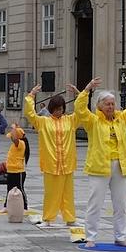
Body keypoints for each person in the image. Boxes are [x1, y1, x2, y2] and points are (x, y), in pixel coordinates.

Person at [73, 78, 126, 248]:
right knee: (95, 203)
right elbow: (79, 109)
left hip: (120, 165)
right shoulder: (93, 121)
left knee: (120, 204)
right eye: (107, 104)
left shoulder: (121, 119)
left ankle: (120, 236)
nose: (111, 107)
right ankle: (90, 236)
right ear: (99, 106)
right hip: (99, 167)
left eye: (113, 104)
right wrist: (87, 90)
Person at [25, 86, 81, 226]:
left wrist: (80, 95)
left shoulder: (70, 120)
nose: (59, 111)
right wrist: (31, 96)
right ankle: (48, 218)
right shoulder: (43, 122)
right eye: (56, 109)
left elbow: (82, 112)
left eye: (61, 109)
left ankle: (70, 218)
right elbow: (30, 114)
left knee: (68, 193)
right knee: (51, 193)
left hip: (67, 163)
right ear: (51, 109)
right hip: (51, 163)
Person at [3, 123, 29, 211]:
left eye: (12, 136)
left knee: (20, 189)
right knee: (9, 190)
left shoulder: (21, 143)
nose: (11, 138)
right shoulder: (14, 145)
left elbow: (14, 138)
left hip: (19, 172)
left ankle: (25, 206)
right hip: (11, 170)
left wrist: (13, 127)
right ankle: (6, 206)